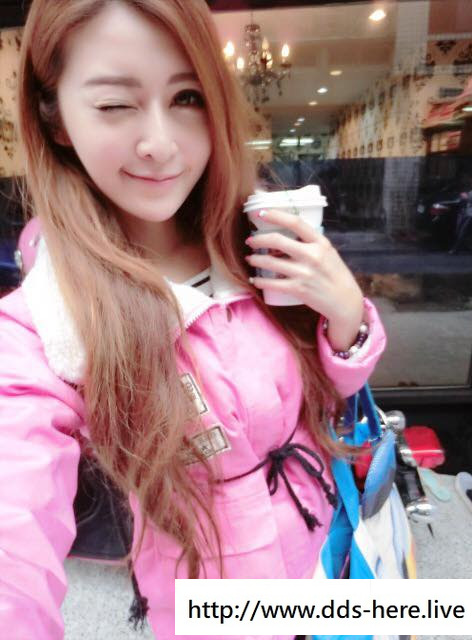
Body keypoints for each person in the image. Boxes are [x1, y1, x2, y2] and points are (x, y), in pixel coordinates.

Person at [0, 1, 387, 639]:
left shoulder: (253, 240)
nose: (160, 144)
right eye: (115, 104)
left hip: (326, 554)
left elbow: (329, 398)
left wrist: (347, 315)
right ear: (56, 117)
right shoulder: (49, 323)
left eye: (187, 97)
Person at [448, 175, 472, 254]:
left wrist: (467, 197)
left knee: (463, 231)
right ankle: (462, 247)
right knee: (461, 230)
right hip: (466, 212)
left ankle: (455, 249)